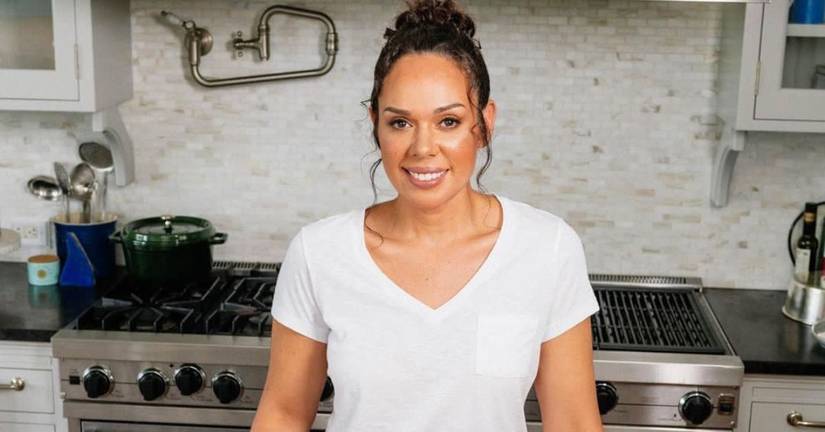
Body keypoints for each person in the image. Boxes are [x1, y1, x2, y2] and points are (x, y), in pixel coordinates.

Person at [251, 1, 603, 431]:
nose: (423, 148)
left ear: (484, 123)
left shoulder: (547, 248)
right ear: (375, 125)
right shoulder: (318, 252)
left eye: (449, 121)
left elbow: (573, 423)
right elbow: (283, 414)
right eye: (400, 123)